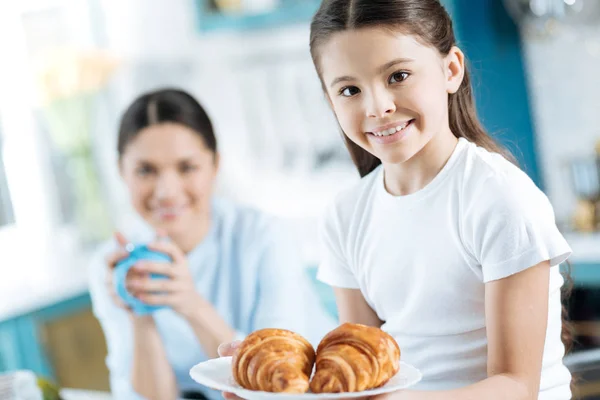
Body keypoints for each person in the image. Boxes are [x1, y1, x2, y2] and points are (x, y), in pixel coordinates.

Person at [219, 1, 574, 399]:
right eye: (349, 89)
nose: (378, 107)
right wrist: (272, 380)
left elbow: (516, 387)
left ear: (451, 70)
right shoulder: (346, 215)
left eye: (398, 75)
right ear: (330, 100)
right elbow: (360, 361)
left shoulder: (499, 197)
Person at [88, 88, 336, 400]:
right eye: (145, 170)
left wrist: (190, 304)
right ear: (121, 171)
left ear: (215, 166)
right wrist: (140, 313)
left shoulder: (262, 235)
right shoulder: (111, 265)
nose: (166, 191)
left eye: (186, 167)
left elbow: (277, 381)